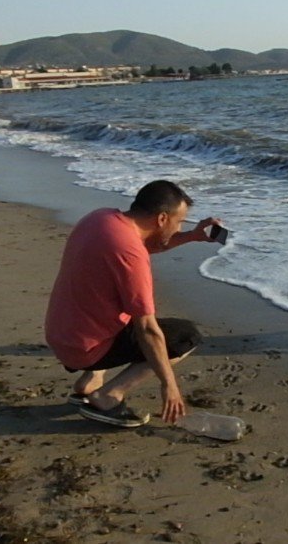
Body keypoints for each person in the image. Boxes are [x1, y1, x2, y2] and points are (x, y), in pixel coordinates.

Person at [45, 180, 223, 427]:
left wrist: (192, 236)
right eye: (179, 221)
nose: (179, 226)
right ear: (162, 218)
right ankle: (108, 395)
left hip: (62, 333)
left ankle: (90, 381)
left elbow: (147, 242)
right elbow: (147, 329)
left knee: (111, 304)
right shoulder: (131, 254)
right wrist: (169, 384)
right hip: (84, 349)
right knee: (185, 335)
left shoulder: (101, 218)